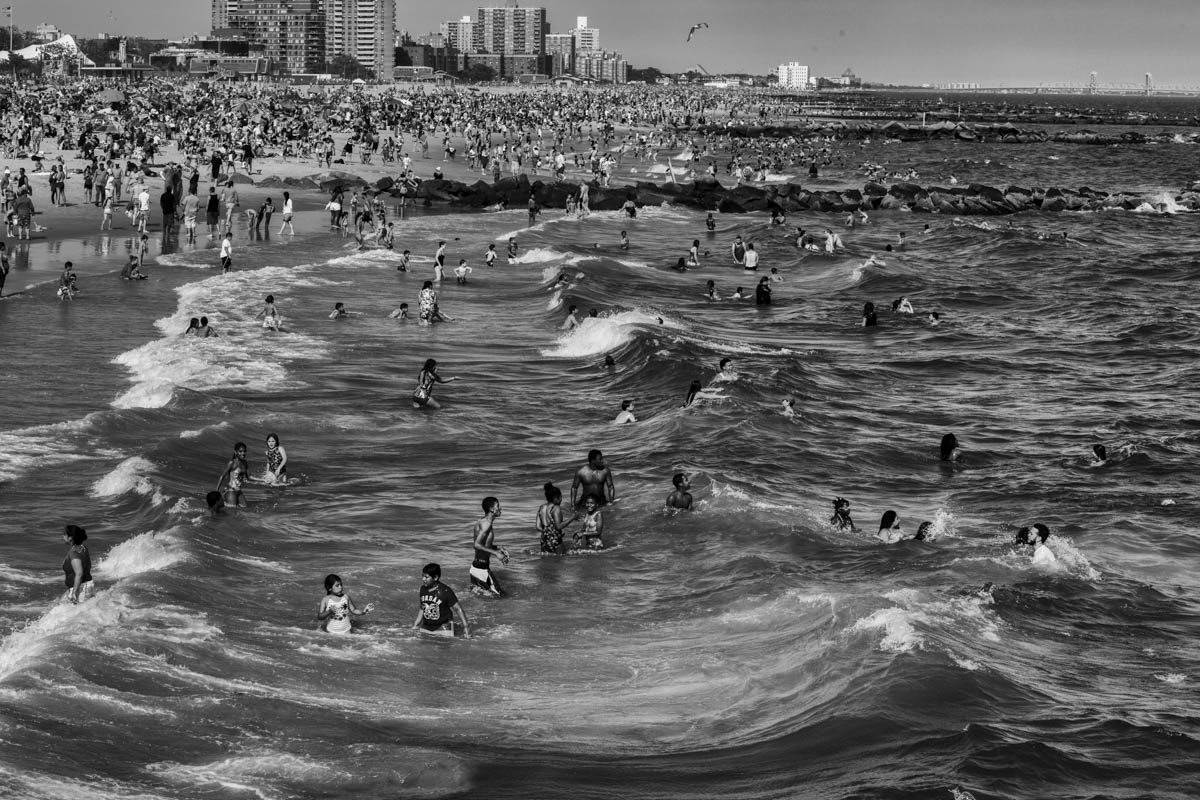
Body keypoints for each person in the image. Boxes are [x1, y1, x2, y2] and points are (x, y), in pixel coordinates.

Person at [412, 563, 470, 637]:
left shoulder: (445, 591)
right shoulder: (423, 589)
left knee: (443, 647)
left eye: (426, 577)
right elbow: (422, 608)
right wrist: (416, 624)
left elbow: (458, 608)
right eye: (422, 576)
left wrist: (466, 626)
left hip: (443, 627)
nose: (423, 579)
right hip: (426, 626)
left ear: (435, 577)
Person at [470, 497, 509, 597]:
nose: (500, 508)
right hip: (481, 570)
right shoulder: (486, 523)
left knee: (484, 597)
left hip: (478, 567)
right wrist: (496, 553)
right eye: (498, 506)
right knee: (501, 597)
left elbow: (484, 545)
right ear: (492, 509)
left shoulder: (484, 522)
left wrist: (498, 548)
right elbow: (477, 545)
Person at [536, 482, 577, 555]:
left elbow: (538, 527)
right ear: (556, 497)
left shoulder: (541, 508)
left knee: (547, 562)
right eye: (561, 497)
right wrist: (572, 517)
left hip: (544, 540)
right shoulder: (556, 508)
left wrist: (548, 533)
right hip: (555, 541)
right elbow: (559, 526)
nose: (561, 500)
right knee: (560, 562)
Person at [62, 524, 94, 604]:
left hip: (80, 588)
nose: (63, 536)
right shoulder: (83, 548)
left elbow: (79, 573)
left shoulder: (73, 553)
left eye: (64, 534)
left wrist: (74, 593)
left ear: (70, 538)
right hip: (86, 585)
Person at [216, 442, 250, 507]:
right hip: (231, 490)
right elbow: (222, 476)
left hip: (239, 491)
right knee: (232, 509)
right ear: (235, 452)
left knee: (245, 507)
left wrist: (262, 480)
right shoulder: (232, 463)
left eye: (244, 451)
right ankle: (223, 500)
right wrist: (216, 491)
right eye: (240, 451)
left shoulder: (245, 463)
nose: (243, 453)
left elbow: (249, 477)